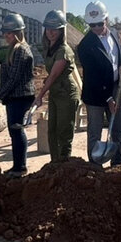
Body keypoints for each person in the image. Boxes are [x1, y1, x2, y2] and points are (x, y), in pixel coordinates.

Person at [77, 0, 121, 167]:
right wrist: (108, 99)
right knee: (95, 131)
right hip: (95, 93)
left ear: (106, 20)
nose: (97, 28)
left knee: (118, 128)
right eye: (92, 25)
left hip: (115, 86)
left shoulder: (114, 33)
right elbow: (93, 76)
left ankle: (117, 163)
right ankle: (95, 164)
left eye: (100, 24)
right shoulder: (85, 45)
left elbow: (119, 52)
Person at [0, 13, 35, 178]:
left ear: (17, 32)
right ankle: (17, 166)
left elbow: (14, 78)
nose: (5, 36)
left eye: (9, 33)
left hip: (21, 97)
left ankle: (20, 167)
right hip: (15, 97)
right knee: (14, 131)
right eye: (5, 33)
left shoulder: (21, 50)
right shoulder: (13, 49)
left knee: (16, 131)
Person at [34, 9, 80, 163]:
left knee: (64, 133)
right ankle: (55, 165)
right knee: (52, 131)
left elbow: (53, 75)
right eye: (48, 28)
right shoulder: (49, 48)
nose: (51, 32)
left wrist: (39, 96)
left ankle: (64, 167)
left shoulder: (64, 51)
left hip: (66, 94)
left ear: (61, 31)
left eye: (55, 29)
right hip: (55, 93)